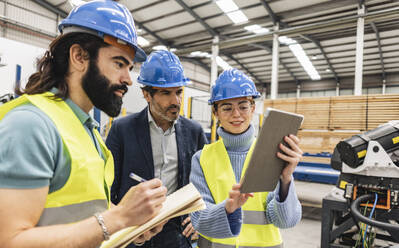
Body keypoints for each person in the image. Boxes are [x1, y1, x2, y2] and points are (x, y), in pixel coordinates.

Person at [0, 1, 167, 247]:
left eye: (129, 68)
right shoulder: (31, 125)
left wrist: (130, 222)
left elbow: (86, 208)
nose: (127, 79)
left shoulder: (86, 128)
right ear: (79, 57)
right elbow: (10, 240)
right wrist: (118, 217)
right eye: (119, 63)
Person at [190, 68, 303, 248]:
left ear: (252, 108)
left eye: (243, 106)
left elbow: (286, 221)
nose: (236, 114)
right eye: (227, 108)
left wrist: (286, 179)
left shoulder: (273, 152)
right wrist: (228, 209)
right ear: (215, 113)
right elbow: (199, 221)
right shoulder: (202, 158)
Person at [106, 50, 208, 248]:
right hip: (134, 232)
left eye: (178, 92)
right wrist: (119, 226)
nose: (176, 101)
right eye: (165, 93)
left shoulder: (194, 132)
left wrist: (200, 216)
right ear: (146, 94)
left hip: (177, 234)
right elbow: (107, 188)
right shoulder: (122, 130)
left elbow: (207, 182)